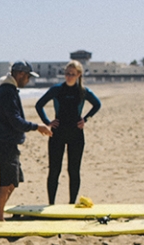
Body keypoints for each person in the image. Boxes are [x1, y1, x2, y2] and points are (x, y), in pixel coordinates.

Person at [0, 61, 52, 222]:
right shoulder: (7, 92)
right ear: (20, 74)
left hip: (9, 142)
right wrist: (37, 126)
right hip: (5, 142)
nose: (28, 80)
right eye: (27, 77)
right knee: (6, 182)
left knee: (13, 181)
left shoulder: (9, 90)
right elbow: (15, 121)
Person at [35, 60, 101, 204]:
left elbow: (97, 104)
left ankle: (71, 203)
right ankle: (51, 203)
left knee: (74, 170)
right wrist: (47, 122)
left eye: (72, 74)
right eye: (67, 74)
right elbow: (39, 105)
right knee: (54, 170)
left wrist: (85, 119)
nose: (69, 76)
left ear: (78, 75)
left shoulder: (83, 91)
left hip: (76, 134)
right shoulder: (57, 89)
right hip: (57, 133)